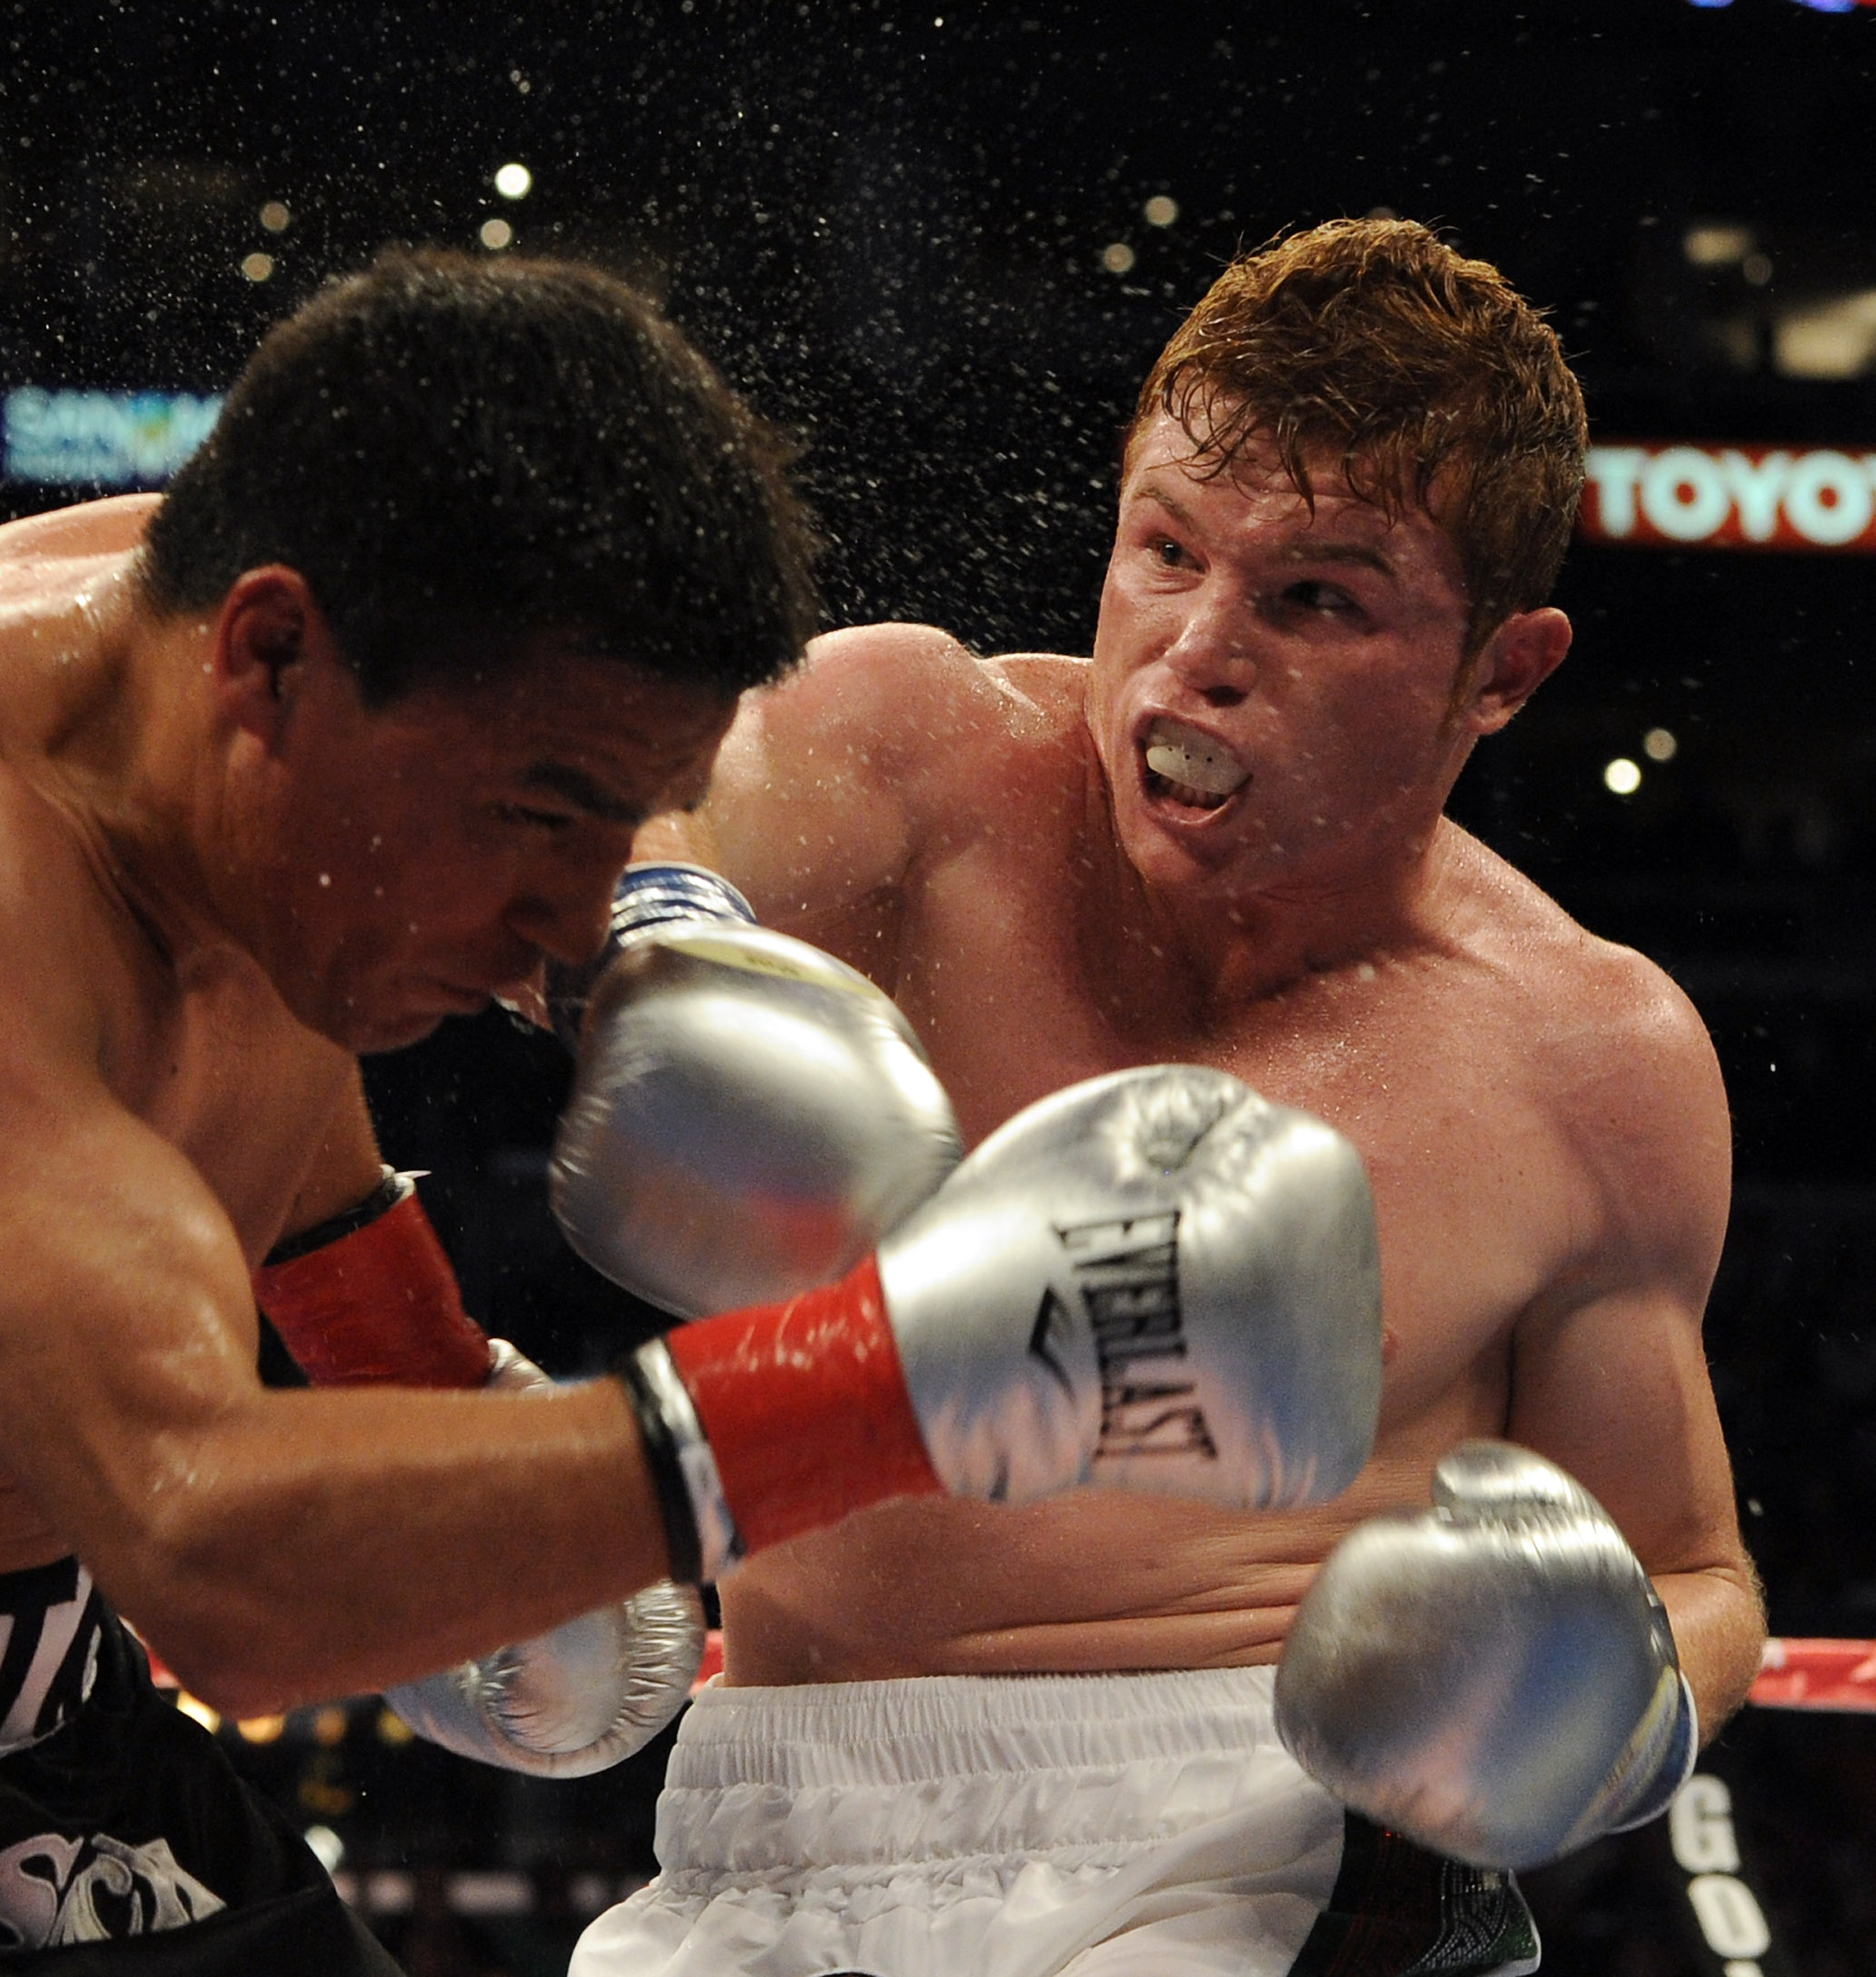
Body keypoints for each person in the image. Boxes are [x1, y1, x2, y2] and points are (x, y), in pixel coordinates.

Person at [0, 249, 1386, 1976]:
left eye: (618, 824)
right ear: (266, 660)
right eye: (541, 811)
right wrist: (889, 1380)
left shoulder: (286, 820)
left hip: (24, 1734)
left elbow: (318, 1276)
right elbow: (213, 1556)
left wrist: (483, 1471)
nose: (564, 938)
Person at [563, 219, 1766, 1975]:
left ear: (1501, 671)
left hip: (1275, 1840)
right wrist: (656, 938)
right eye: (1165, 550)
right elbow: (636, 812)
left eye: (1314, 598)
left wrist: (1618, 1713)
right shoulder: (908, 761)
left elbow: (1694, 1567)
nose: (1193, 651)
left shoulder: (1588, 1057)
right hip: (767, 1822)